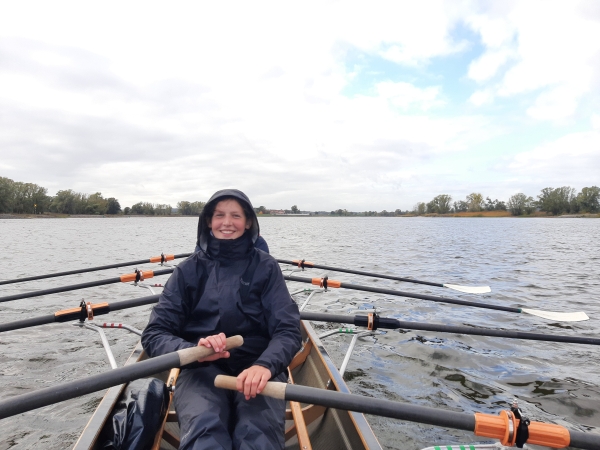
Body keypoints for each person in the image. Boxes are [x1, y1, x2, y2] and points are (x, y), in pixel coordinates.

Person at [142, 189, 301, 450]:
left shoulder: (267, 267)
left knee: (257, 433)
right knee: (204, 426)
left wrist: (265, 366)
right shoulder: (187, 270)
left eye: (236, 216)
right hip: (200, 368)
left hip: (258, 366)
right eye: (219, 215)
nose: (227, 223)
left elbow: (288, 330)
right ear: (208, 221)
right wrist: (193, 352)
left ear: (248, 222)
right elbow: (155, 334)